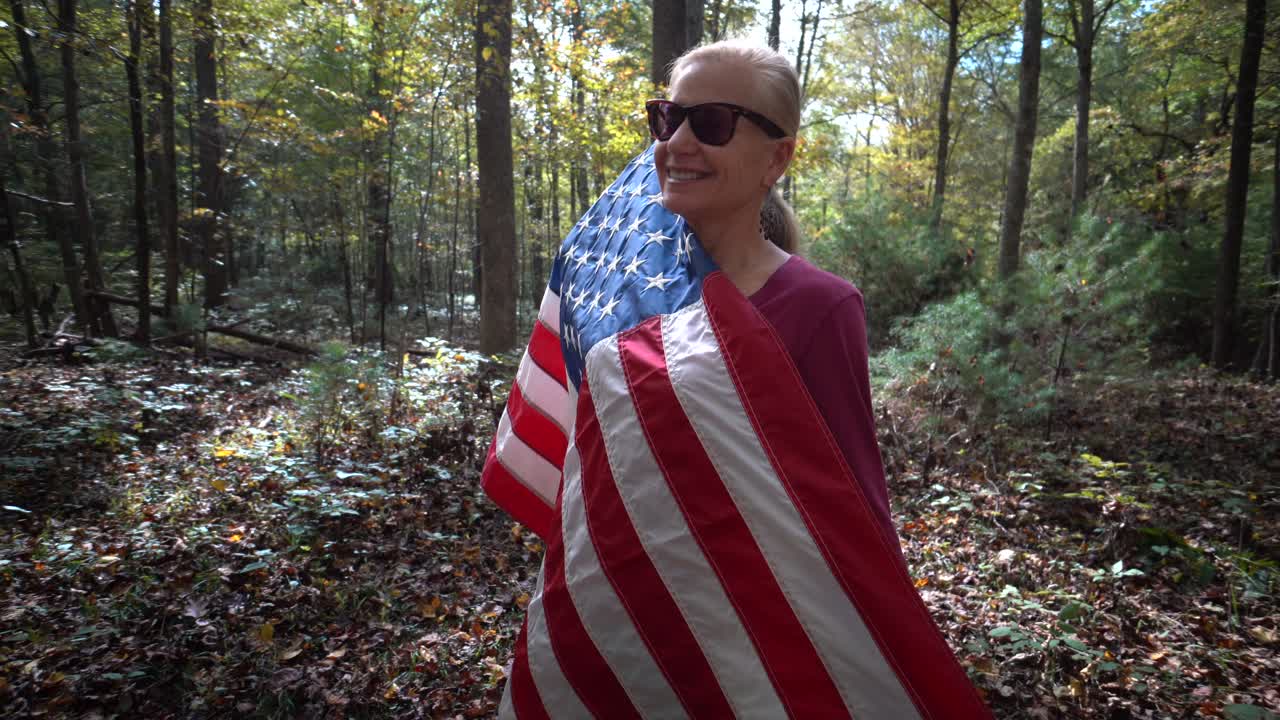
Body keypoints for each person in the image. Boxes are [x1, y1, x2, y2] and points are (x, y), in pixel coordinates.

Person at [482, 40, 991, 719]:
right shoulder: (622, 297)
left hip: (747, 633)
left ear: (777, 159)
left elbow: (850, 495)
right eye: (668, 118)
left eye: (714, 123)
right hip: (627, 620)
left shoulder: (817, 305)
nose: (679, 142)